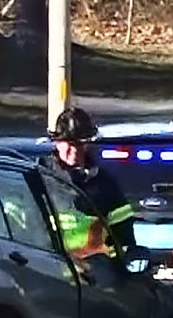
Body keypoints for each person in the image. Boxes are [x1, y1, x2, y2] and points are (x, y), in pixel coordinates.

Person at [48, 107, 136, 252]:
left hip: (95, 270)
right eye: (70, 143)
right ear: (57, 143)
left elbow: (123, 236)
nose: (75, 150)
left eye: (80, 143)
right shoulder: (40, 177)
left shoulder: (105, 184)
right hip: (48, 267)